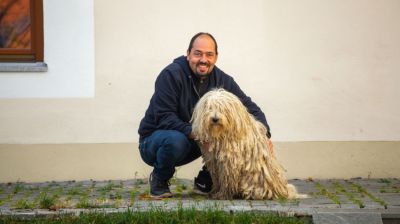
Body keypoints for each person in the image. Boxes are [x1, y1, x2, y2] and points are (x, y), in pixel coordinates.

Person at [138, 32, 272, 198]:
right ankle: (159, 179)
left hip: (195, 139)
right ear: (188, 54)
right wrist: (198, 134)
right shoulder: (171, 75)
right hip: (155, 141)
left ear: (216, 57)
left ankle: (206, 180)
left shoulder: (222, 79)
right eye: (198, 54)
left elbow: (249, 107)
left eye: (209, 54)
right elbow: (165, 117)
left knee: (226, 134)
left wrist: (265, 135)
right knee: (176, 140)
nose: (203, 59)